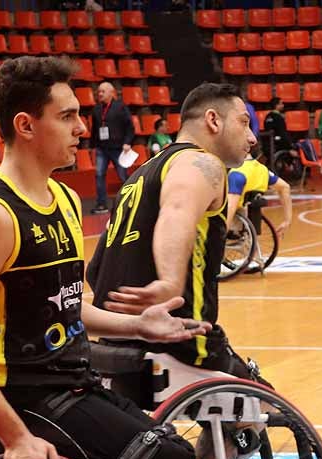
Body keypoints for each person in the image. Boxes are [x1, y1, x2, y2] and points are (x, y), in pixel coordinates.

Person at [0, 55, 203, 459]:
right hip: (27, 404)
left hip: (75, 385)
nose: (81, 128)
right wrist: (16, 439)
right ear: (25, 125)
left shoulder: (64, 199)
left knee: (182, 454)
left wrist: (136, 326)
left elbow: (67, 303)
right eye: (67, 116)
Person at [86, 82, 258, 389]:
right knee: (263, 412)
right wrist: (168, 282)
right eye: (244, 122)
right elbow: (177, 213)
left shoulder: (139, 175)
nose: (252, 137)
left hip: (116, 345)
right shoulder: (201, 163)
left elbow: (96, 268)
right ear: (213, 120)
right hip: (180, 340)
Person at [88, 81, 134, 214]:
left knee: (122, 175)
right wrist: (92, 146)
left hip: (118, 148)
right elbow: (95, 130)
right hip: (102, 149)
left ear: (111, 92)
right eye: (99, 92)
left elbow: (130, 127)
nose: (100, 94)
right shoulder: (96, 109)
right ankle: (101, 205)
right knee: (99, 174)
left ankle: (131, 200)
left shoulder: (120, 107)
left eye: (103, 91)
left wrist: (127, 142)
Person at [226, 155, 293, 238]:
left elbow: (231, 207)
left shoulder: (237, 173)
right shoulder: (263, 170)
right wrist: (287, 220)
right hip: (252, 217)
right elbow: (285, 187)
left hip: (235, 221)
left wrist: (221, 235)